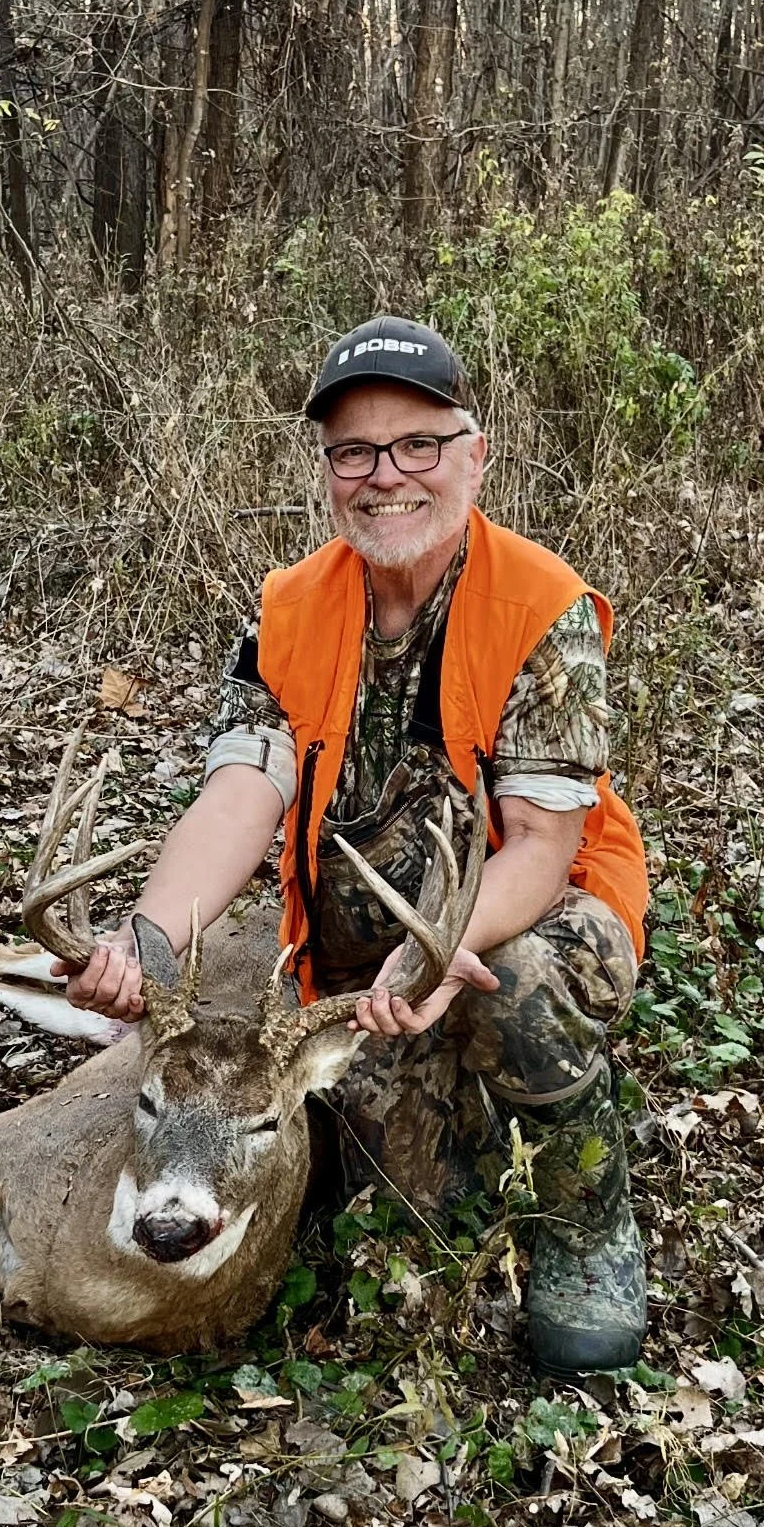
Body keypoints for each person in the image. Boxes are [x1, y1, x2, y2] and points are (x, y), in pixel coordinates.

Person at [59, 316, 650, 1372]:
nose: (387, 477)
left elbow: (546, 846)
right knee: (388, 1203)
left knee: (513, 984)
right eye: (354, 452)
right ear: (328, 470)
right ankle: (457, 1106)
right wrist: (144, 946)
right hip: (350, 974)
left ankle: (585, 1215)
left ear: (475, 453)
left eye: (417, 445)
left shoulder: (543, 608)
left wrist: (436, 952)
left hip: (520, 920)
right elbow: (244, 791)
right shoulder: (290, 606)